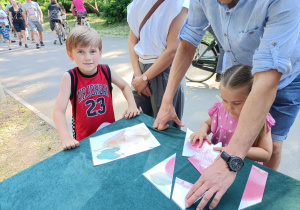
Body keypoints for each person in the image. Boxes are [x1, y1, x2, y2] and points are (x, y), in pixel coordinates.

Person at [153, 0, 300, 209]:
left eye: (235, 103)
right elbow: (188, 40)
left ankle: (261, 197)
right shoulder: (225, 105)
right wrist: (166, 101)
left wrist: (230, 159)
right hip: (237, 74)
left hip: (287, 76)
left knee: (274, 144)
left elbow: (266, 79)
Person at [53, 26, 140, 150]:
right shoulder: (70, 77)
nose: (88, 57)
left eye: (92, 51)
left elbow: (125, 86)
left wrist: (132, 105)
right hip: (84, 139)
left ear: (100, 53)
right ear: (70, 54)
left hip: (109, 133)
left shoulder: (106, 70)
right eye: (81, 52)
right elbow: (58, 111)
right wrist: (65, 137)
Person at [191, 65, 274, 162]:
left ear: (253, 99)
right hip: (216, 161)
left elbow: (266, 154)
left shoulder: (260, 118)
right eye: (224, 100)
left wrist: (236, 151)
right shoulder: (220, 109)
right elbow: (207, 124)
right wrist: (202, 131)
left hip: (243, 166)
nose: (229, 107)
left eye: (237, 103)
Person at [127, 0, 189, 128]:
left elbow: (132, 42)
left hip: (144, 69)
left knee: (143, 126)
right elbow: (172, 50)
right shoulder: (179, 3)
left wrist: (140, 77)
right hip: (161, 71)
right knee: (163, 129)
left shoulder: (137, 3)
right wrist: (141, 78)